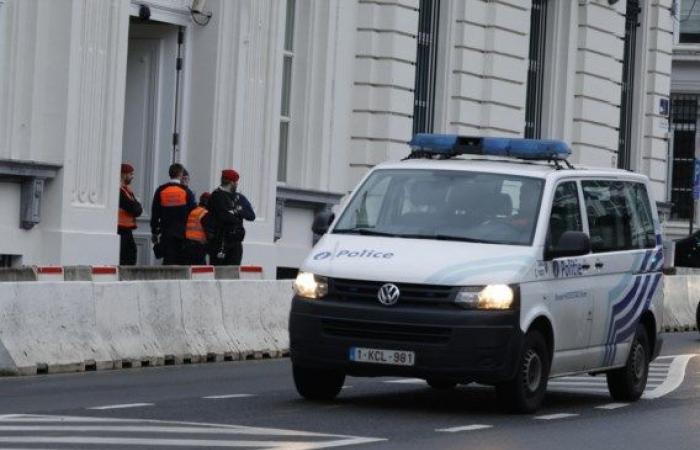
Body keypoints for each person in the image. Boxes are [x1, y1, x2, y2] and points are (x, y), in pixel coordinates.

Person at [207, 169, 255, 266]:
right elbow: (224, 217)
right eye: (236, 182)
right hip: (221, 241)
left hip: (236, 242)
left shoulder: (239, 197)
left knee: (233, 272)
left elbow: (251, 215)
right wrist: (237, 213)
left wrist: (236, 211)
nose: (237, 184)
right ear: (232, 182)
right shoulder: (217, 196)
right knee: (219, 272)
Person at [150, 163, 196, 265]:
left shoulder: (161, 190)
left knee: (168, 262)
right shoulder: (186, 191)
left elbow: (155, 212)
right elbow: (193, 213)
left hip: (166, 233)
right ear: (181, 174)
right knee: (182, 263)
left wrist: (154, 231)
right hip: (183, 234)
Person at [118, 163, 143, 265]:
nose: (132, 176)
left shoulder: (127, 190)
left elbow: (137, 208)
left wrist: (137, 206)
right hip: (120, 228)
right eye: (131, 174)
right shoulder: (119, 191)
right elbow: (134, 208)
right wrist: (136, 206)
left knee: (131, 253)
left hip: (126, 228)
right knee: (126, 255)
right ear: (124, 175)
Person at [183, 192, 210, 265]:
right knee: (200, 270)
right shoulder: (205, 213)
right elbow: (208, 232)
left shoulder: (193, 211)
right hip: (199, 246)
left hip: (188, 244)